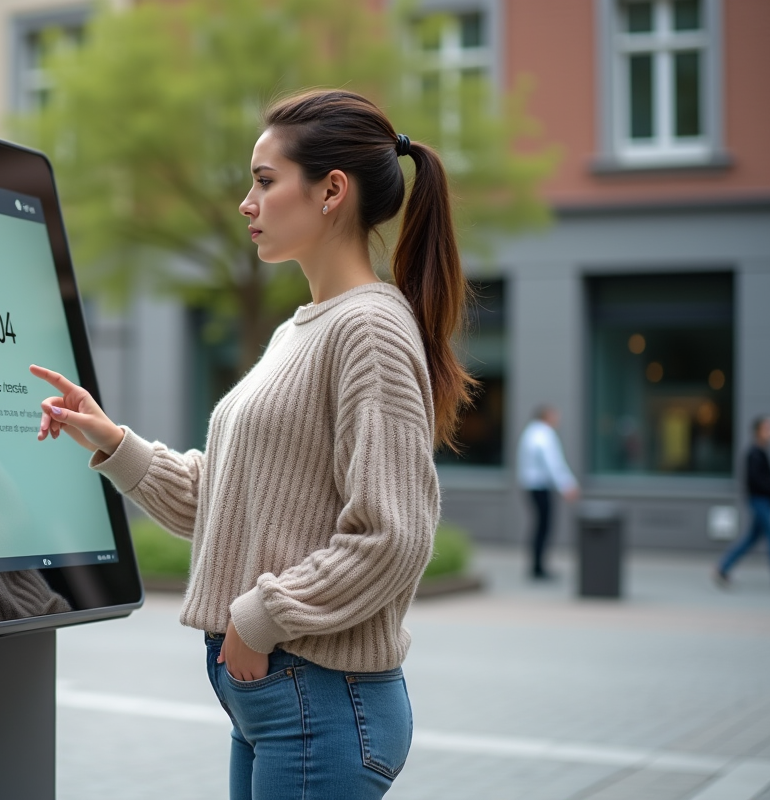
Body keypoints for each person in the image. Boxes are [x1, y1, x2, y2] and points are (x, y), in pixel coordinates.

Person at [31, 90, 471, 799]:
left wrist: (259, 619)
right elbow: (232, 502)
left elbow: (395, 535)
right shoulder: (304, 328)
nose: (246, 202)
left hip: (321, 701)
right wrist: (111, 439)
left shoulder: (370, 331)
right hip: (282, 701)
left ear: (332, 191)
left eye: (265, 181)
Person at [516, 406, 579, 580]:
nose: (558, 418)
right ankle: (539, 567)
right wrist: (567, 485)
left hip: (531, 486)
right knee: (544, 527)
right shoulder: (544, 434)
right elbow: (553, 462)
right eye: (555, 414)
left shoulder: (530, 432)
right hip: (540, 487)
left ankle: (537, 565)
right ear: (547, 416)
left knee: (539, 526)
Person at [715, 416, 770, 588]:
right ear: (758, 431)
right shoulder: (754, 453)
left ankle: (723, 567)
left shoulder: (763, 452)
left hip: (764, 501)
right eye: (768, 428)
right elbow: (756, 480)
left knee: (751, 538)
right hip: (759, 501)